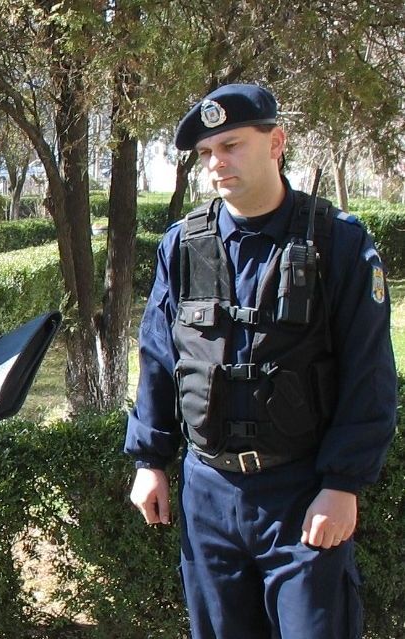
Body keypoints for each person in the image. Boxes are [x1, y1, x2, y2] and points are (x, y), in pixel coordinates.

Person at [125, 83, 397, 638]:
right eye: (206, 153)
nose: (216, 163)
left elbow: (369, 371)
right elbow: (158, 355)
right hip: (208, 496)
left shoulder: (336, 242)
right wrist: (149, 459)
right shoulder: (181, 245)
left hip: (301, 494)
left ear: (277, 143)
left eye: (231, 145)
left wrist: (343, 483)